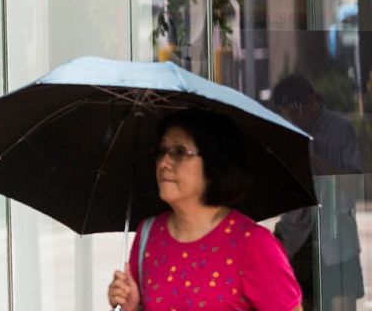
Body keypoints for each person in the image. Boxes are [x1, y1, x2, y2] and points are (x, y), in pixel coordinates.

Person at [107, 109, 302, 311]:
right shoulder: (148, 234)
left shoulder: (253, 244)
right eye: (161, 152)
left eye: (180, 152)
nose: (164, 163)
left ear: (214, 163)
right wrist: (131, 307)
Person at [272, 75, 364, 311]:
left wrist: (313, 159)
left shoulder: (340, 129)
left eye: (297, 109)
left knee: (341, 304)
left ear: (313, 100)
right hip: (297, 236)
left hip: (336, 237)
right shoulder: (283, 133)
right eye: (286, 112)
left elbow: (353, 186)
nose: (293, 117)